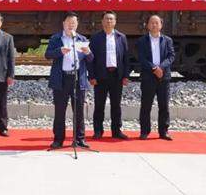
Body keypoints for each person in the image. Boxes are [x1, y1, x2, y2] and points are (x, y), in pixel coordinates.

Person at [45, 11, 94, 149]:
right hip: (61, 78)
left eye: (73, 23)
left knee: (78, 110)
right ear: (63, 24)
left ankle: (79, 139)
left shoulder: (81, 39)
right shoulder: (56, 38)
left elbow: (91, 59)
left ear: (77, 24)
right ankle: (58, 139)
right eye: (68, 22)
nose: (71, 25)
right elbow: (47, 54)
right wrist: (59, 51)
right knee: (60, 111)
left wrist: (88, 52)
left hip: (77, 78)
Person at [87, 11, 131, 140]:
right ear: (102, 22)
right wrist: (92, 76)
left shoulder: (121, 37)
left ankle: (116, 130)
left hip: (116, 76)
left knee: (116, 105)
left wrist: (126, 75)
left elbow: (126, 58)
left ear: (115, 22)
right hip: (101, 76)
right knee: (99, 105)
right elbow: (90, 59)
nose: (109, 21)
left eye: (111, 19)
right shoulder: (95, 38)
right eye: (106, 19)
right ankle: (98, 131)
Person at [136, 14, 175, 141]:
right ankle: (144, 131)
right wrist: (154, 68)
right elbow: (141, 58)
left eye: (156, 22)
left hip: (163, 76)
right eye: (151, 22)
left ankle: (164, 131)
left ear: (161, 25)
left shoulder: (167, 40)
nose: (154, 25)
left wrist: (161, 68)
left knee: (164, 105)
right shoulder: (142, 41)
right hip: (148, 76)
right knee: (146, 105)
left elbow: (171, 56)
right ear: (147, 25)